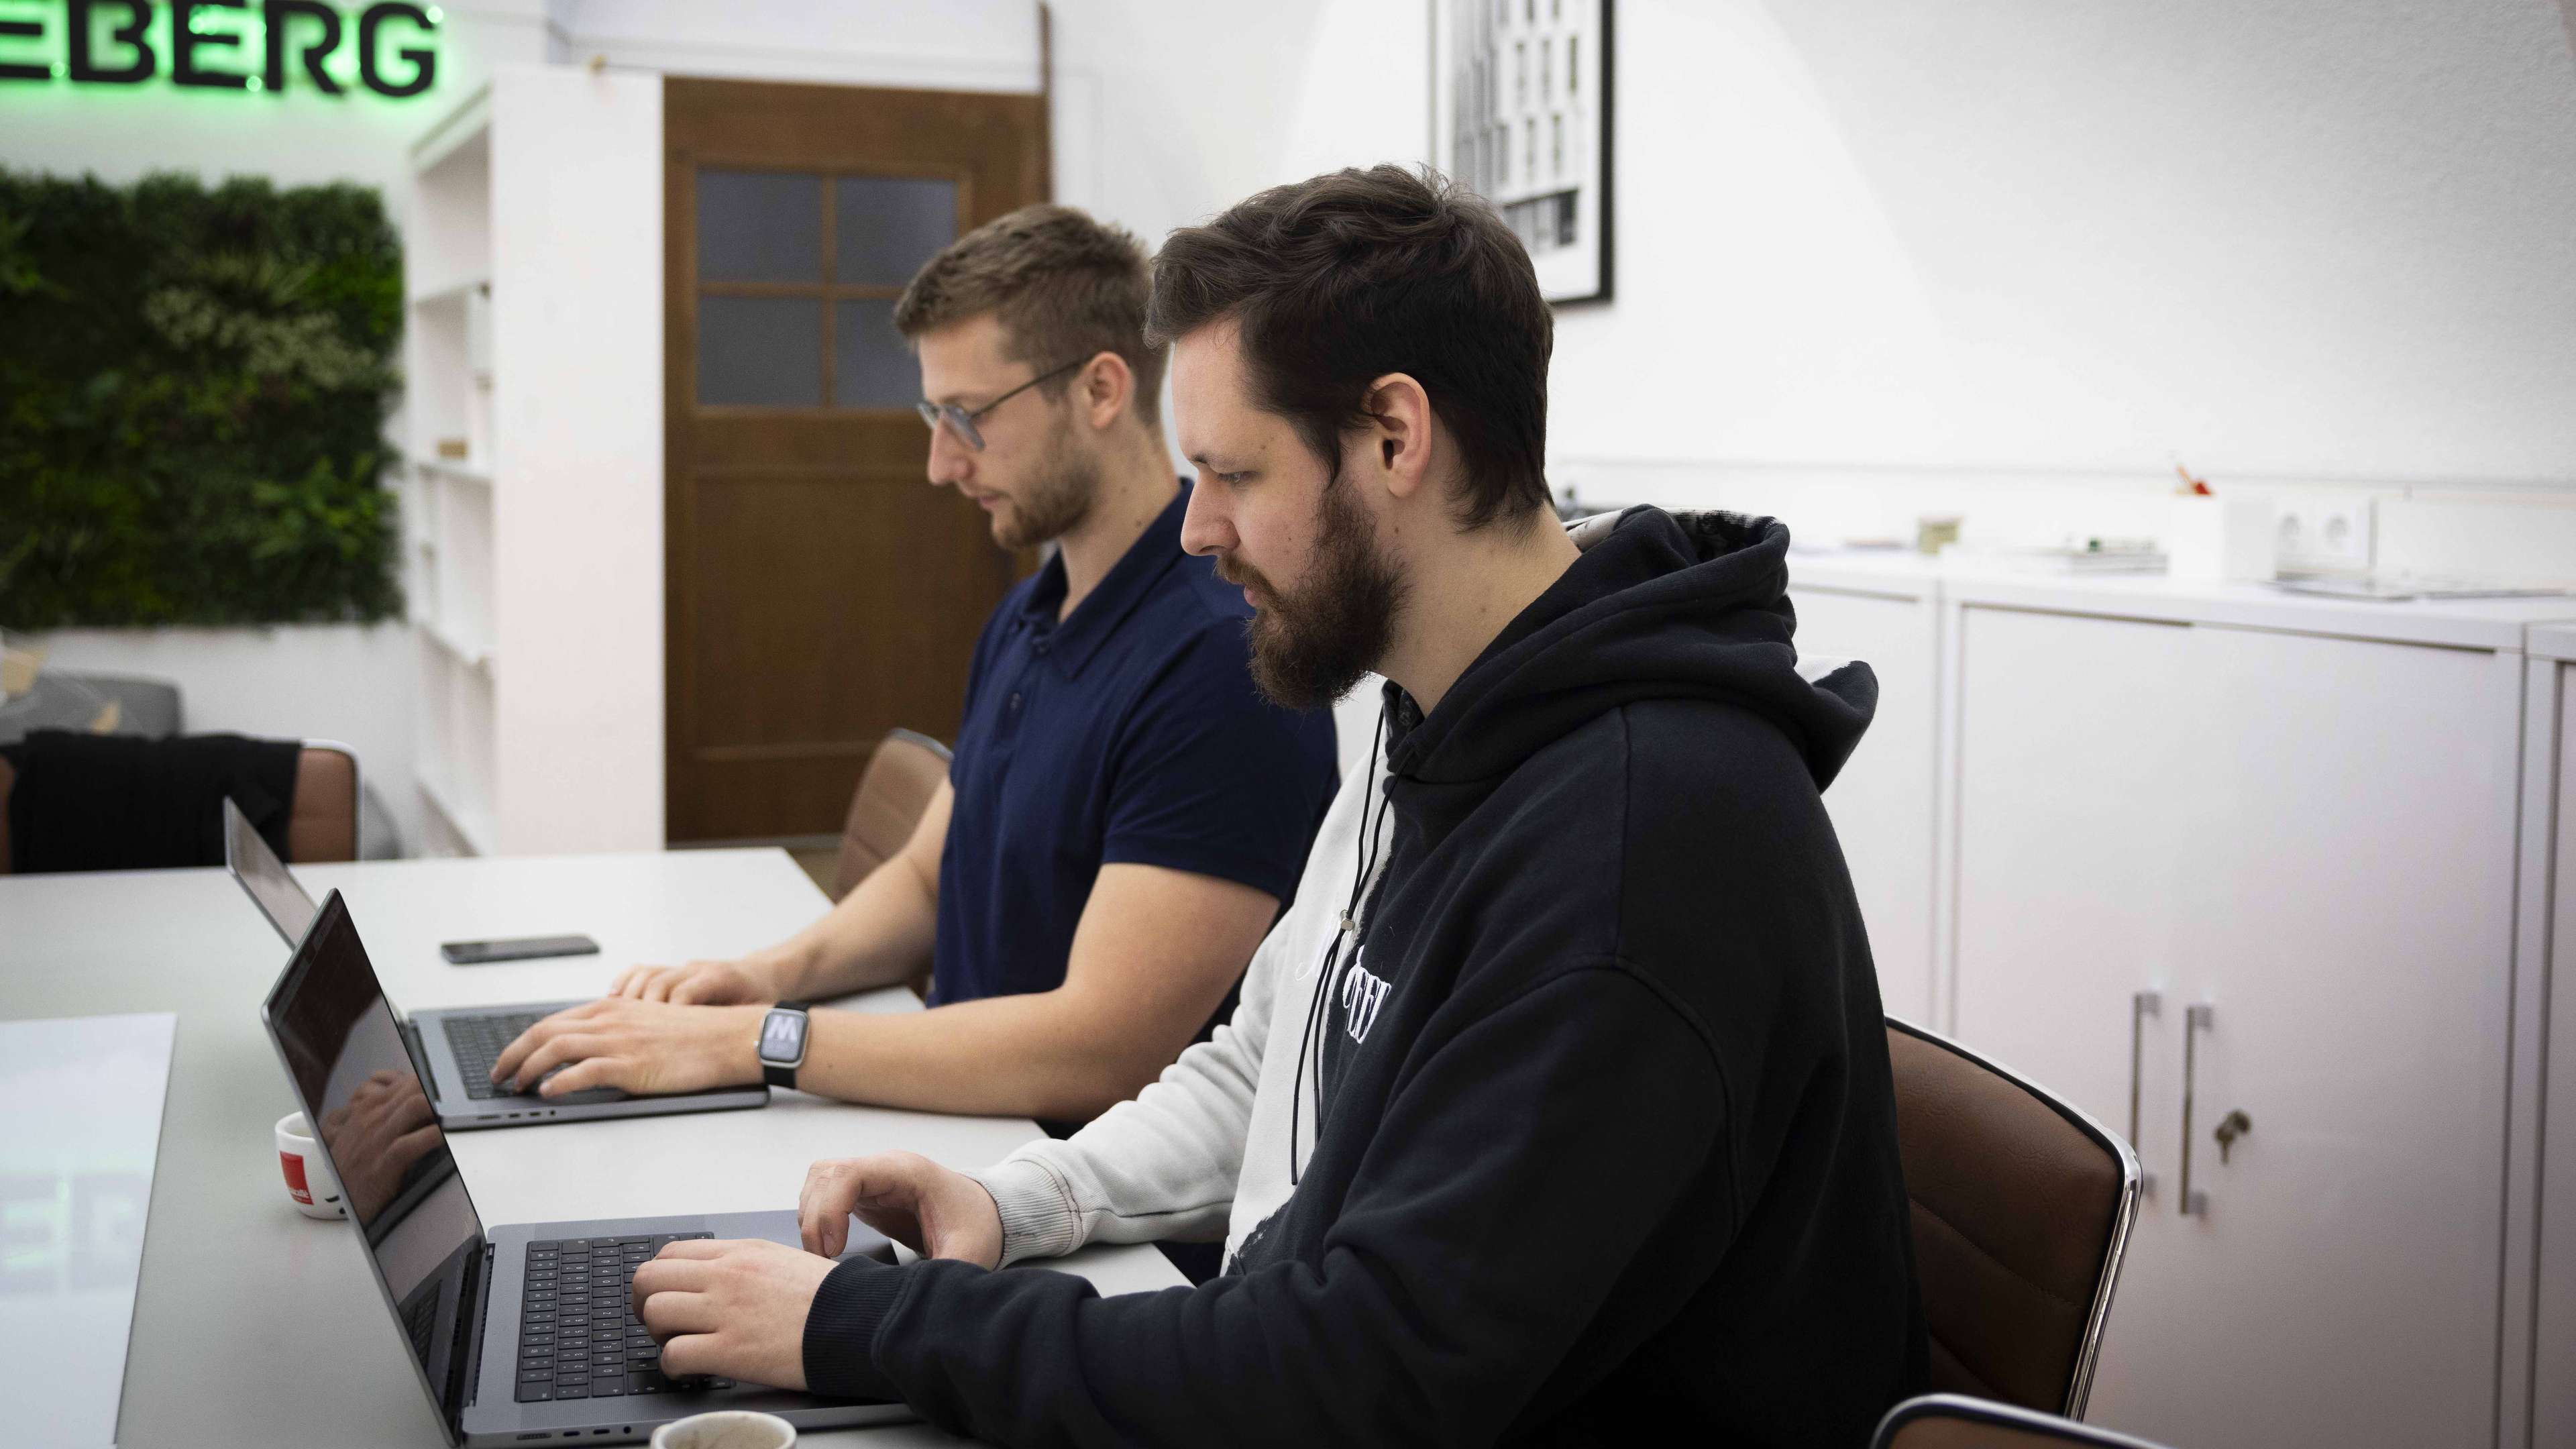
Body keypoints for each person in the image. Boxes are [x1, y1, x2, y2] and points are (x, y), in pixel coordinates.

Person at [626, 166, 1925, 1446]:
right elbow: (1266, 1066)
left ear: (1395, 439)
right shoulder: (1422, 712)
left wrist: (859, 1327)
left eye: (1232, 475)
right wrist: (1016, 1202)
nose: (1194, 531)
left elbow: (1357, 1373)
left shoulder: (1648, 847)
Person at [490, 205, 1338, 1130]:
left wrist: (758, 1042)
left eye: (968, 418)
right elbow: (933, 878)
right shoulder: (1032, 614)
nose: (941, 464)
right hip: (953, 1139)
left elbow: (1102, 1052)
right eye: (934, 416)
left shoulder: (1220, 662)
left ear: (1100, 392)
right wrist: (763, 978)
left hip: (1091, 1225)